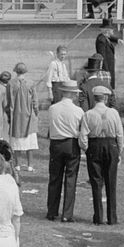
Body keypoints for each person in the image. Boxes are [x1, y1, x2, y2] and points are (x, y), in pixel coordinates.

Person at [79, 86, 124, 225]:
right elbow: (119, 133)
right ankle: (112, 217)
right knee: (111, 182)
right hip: (111, 145)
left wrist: (86, 148)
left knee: (96, 181)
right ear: (105, 98)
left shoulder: (88, 114)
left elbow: (83, 135)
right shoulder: (114, 113)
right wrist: (119, 150)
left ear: (94, 97)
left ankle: (98, 216)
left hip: (95, 145)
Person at [45, 79, 83, 222]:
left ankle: (52, 211)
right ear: (73, 94)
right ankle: (67, 214)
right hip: (71, 143)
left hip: (56, 143)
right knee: (70, 178)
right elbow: (80, 129)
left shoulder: (53, 108)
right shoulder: (78, 111)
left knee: (54, 178)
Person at [7, 63, 38, 171]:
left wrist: (8, 114)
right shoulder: (31, 83)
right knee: (29, 141)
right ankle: (30, 165)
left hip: (16, 116)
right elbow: (35, 100)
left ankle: (17, 165)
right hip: (28, 115)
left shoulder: (11, 84)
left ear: (15, 71)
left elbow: (8, 101)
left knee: (16, 141)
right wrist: (36, 112)